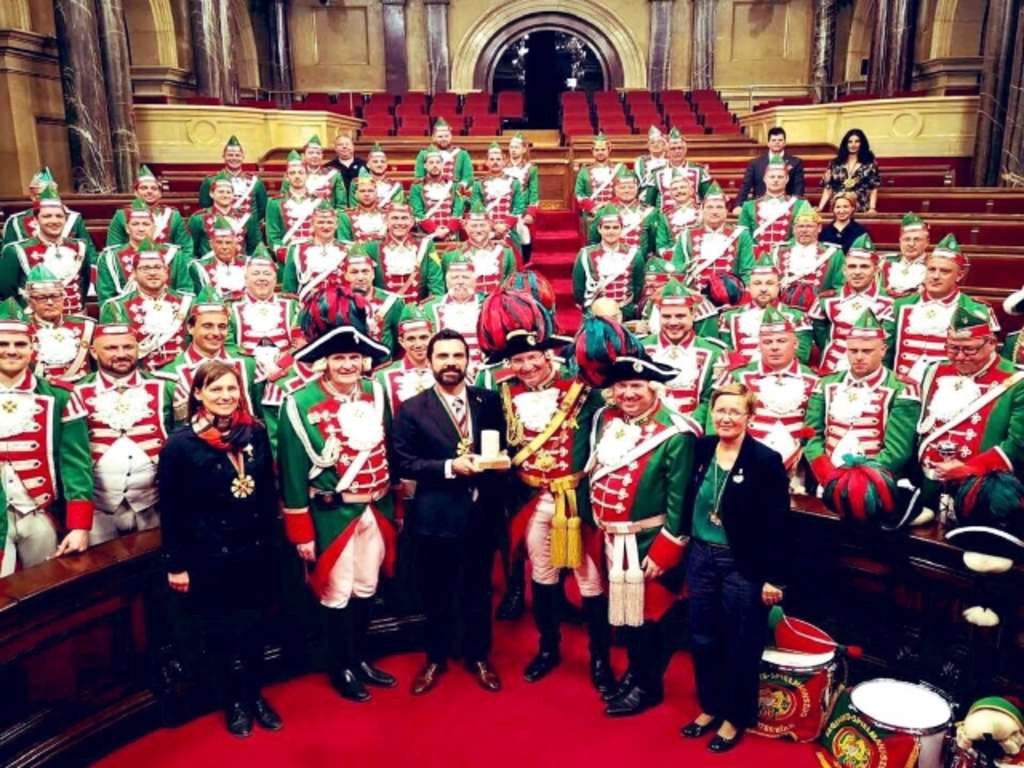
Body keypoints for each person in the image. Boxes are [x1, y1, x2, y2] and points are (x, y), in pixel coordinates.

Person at [478, 290, 612, 694]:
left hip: (577, 500)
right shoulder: (503, 394)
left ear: (548, 354)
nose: (527, 366)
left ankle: (600, 658)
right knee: (543, 575)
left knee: (591, 582)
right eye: (518, 360)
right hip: (532, 499)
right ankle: (549, 648)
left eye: (532, 357)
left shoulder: (583, 390)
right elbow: (496, 443)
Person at [278, 312, 398, 703]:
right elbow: (293, 472)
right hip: (331, 513)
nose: (347, 365)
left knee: (367, 586)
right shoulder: (299, 402)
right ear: (324, 362)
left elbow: (389, 453)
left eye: (353, 358)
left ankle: (359, 658)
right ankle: (340, 665)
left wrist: (395, 508)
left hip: (375, 508)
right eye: (338, 358)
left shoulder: (376, 392)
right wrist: (301, 533)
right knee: (337, 592)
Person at [578, 318, 696, 717]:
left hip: (646, 541)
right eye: (622, 386)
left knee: (650, 617)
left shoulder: (676, 433)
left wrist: (666, 550)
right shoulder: (606, 421)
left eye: (637, 386)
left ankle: (649, 687)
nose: (627, 393)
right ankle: (635, 673)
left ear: (653, 388)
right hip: (610, 537)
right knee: (626, 618)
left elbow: (680, 502)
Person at [159, 360, 282, 737]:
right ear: (198, 394)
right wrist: (176, 564)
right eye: (215, 390)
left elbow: (265, 494)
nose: (225, 396)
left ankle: (256, 694)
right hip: (210, 554)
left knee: (257, 627)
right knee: (222, 631)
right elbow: (172, 508)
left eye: (231, 389)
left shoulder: (254, 433)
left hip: (255, 549)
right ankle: (233, 701)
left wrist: (274, 547)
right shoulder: (181, 444)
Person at [392, 329, 508, 695]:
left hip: (482, 514)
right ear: (429, 362)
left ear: (467, 360)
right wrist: (448, 467)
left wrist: (502, 462)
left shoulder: (488, 401)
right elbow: (403, 461)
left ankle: (478, 656)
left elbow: (503, 446)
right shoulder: (412, 408)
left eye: (457, 356)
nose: (450, 363)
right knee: (436, 592)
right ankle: (435, 658)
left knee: (479, 589)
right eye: (442, 356)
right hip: (436, 516)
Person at [680, 383, 789, 753]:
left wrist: (774, 576)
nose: (726, 417)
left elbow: (779, 524)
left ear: (749, 417)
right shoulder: (701, 448)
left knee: (741, 642)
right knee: (701, 636)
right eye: (720, 410)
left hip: (741, 562)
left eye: (735, 412)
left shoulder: (765, 460)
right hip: (700, 556)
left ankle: (734, 717)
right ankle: (710, 706)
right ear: (712, 413)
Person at [0, 298, 93, 577]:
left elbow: (76, 463)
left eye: (20, 344)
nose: (11, 351)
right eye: (3, 344)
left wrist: (79, 525)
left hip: (40, 514)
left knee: (46, 595)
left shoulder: (59, 395)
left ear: (33, 349)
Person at [914, 307, 1024, 526]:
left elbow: (1016, 445)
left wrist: (969, 470)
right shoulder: (935, 371)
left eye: (969, 350)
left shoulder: (1016, 381)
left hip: (981, 489)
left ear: (992, 343)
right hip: (928, 486)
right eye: (953, 349)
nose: (960, 357)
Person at [75, 324, 175, 544]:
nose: (121, 354)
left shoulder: (165, 387)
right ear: (93, 351)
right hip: (98, 510)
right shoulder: (75, 392)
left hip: (153, 506)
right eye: (111, 348)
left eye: (128, 347)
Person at [804, 310, 919, 489]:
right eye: (853, 351)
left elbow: (897, 451)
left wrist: (859, 480)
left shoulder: (902, 390)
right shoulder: (825, 384)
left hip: (875, 483)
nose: (858, 357)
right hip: (827, 479)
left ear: (883, 350)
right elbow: (811, 436)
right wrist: (826, 474)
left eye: (867, 351)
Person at [723, 308, 819, 492]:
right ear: (759, 345)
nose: (774, 347)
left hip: (796, 470)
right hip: (746, 462)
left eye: (781, 341)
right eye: (767, 342)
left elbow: (815, 429)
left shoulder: (814, 380)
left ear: (796, 343)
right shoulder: (739, 376)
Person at [885, 234, 998, 380]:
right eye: (931, 270)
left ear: (959, 275)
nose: (935, 276)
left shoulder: (976, 310)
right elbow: (884, 351)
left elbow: (986, 358)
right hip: (902, 387)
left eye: (944, 271)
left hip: (948, 388)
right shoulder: (900, 305)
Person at [156, 293, 260, 424]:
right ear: (190, 328)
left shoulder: (249, 365)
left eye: (222, 327)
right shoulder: (168, 373)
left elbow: (262, 417)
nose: (216, 333)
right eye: (207, 326)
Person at [642, 279, 727, 425]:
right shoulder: (641, 349)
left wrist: (689, 425)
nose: (673, 322)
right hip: (650, 429)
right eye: (666, 316)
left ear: (693, 314)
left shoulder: (714, 353)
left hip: (694, 432)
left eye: (680, 316)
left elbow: (712, 400)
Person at [0, 185, 92, 316]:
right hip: (33, 322)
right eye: (47, 216)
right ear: (36, 220)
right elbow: (7, 294)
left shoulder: (80, 247)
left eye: (59, 216)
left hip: (74, 320)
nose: (54, 221)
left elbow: (84, 283)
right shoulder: (15, 251)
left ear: (65, 220)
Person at [809, 234, 894, 375]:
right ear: (844, 270)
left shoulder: (890, 302)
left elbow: (888, 343)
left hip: (873, 371)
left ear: (876, 270)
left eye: (864, 267)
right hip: (831, 369)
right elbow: (820, 334)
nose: (857, 272)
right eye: (852, 266)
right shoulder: (827, 300)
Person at [99, 247, 194, 371]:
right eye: (145, 268)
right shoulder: (115, 307)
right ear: (133, 273)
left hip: (183, 374)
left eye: (157, 267)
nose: (153, 273)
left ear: (166, 271)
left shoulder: (188, 303)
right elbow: (110, 352)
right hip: (141, 378)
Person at [717, 255, 813, 366]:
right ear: (749, 287)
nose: (763, 289)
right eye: (757, 283)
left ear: (779, 287)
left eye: (769, 283)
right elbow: (727, 356)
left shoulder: (798, 317)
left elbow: (801, 358)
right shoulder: (728, 317)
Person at [228, 246, 305, 383]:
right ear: (245, 279)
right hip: (245, 373)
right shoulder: (230, 307)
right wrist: (250, 367)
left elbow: (300, 344)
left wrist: (281, 366)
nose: (262, 278)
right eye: (256, 273)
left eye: (267, 274)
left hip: (286, 372)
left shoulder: (293, 305)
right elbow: (228, 346)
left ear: (275, 279)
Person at [673, 183, 754, 306]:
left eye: (719, 207)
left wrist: (740, 300)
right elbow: (677, 269)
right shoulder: (686, 235)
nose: (714, 212)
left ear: (726, 211)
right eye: (710, 207)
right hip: (695, 299)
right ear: (702, 210)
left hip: (731, 299)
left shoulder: (741, 235)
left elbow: (747, 271)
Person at [96, 202, 192, 304]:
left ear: (154, 228)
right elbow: (106, 297)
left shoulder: (174, 255)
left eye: (146, 224)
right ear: (127, 229)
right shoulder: (110, 257)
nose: (141, 229)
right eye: (135, 224)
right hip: (126, 315)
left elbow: (185, 290)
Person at [360, 192, 443, 303]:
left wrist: (431, 308)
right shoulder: (372, 247)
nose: (399, 223)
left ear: (412, 222)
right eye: (395, 218)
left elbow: (436, 282)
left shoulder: (426, 245)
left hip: (417, 313)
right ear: (386, 221)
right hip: (383, 311)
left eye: (404, 218)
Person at [2, 169, 94, 263]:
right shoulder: (15, 222)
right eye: (39, 196)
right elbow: (7, 257)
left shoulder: (73, 219)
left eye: (59, 216)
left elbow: (89, 253)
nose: (43, 200)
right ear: (32, 195)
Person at [24, 265, 96, 383]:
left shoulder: (87, 326)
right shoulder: (22, 328)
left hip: (80, 390)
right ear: (29, 302)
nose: (50, 302)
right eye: (42, 298)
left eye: (55, 296)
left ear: (63, 298)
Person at [573, 205, 645, 321]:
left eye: (615, 228)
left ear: (621, 229)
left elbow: (638, 285)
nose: (611, 232)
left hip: (624, 310)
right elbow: (579, 288)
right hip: (596, 311)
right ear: (599, 229)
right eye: (607, 228)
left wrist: (628, 307)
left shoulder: (635, 254)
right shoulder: (585, 255)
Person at [430, 201, 517, 296]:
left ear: (491, 226)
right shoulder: (452, 255)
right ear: (465, 227)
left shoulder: (506, 252)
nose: (478, 230)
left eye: (483, 225)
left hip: (497, 307)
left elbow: (510, 284)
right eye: (473, 226)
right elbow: (448, 289)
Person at [771, 200, 845, 312]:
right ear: (794, 229)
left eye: (809, 226)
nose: (804, 230)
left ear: (819, 228)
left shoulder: (833, 254)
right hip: (782, 311)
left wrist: (823, 303)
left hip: (818, 312)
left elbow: (841, 287)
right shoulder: (778, 251)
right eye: (800, 226)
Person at [421, 255, 486, 381]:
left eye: (465, 277)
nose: (460, 281)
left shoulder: (488, 304)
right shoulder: (428, 308)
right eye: (455, 277)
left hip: (482, 373)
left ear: (475, 280)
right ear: (447, 281)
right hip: (444, 373)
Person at [106, 166, 192, 259]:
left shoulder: (173, 216)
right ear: (136, 192)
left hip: (167, 265)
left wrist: (177, 268)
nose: (149, 191)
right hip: (130, 265)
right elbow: (113, 249)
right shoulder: (122, 215)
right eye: (144, 188)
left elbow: (186, 248)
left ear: (160, 194)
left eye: (154, 188)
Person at [586, 166, 667, 260]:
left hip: (640, 263)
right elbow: (594, 240)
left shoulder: (650, 212)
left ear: (637, 189)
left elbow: (654, 243)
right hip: (609, 261)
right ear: (615, 190)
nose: (627, 190)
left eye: (631, 187)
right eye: (622, 187)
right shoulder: (604, 211)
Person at [281, 200, 352, 300]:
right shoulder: (297, 249)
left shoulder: (348, 249)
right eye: (320, 222)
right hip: (308, 306)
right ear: (312, 224)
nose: (326, 226)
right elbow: (289, 288)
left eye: (330, 222)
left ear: (336, 225)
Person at [738, 156, 806, 257]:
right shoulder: (748, 206)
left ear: (787, 179)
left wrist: (783, 250)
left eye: (780, 177)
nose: (776, 180)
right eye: (772, 177)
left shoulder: (801, 205)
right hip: (756, 259)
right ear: (765, 179)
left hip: (788, 258)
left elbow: (803, 234)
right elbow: (743, 237)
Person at [731, 127, 806, 213]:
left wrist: (794, 207)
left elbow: (798, 188)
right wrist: (738, 205)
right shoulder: (755, 163)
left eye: (780, 140)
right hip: (759, 207)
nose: (777, 142)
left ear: (784, 143)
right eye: (773, 140)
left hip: (785, 207)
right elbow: (746, 185)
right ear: (768, 143)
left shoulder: (796, 162)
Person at [188, 172, 262, 258]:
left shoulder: (246, 218)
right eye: (221, 192)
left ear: (233, 195)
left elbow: (254, 247)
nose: (225, 195)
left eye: (228, 192)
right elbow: (191, 248)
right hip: (210, 267)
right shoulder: (198, 219)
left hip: (240, 266)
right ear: (212, 194)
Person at [266, 152, 322, 266]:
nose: (297, 176)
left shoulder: (319, 202)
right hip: (287, 256)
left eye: (301, 172)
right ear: (287, 177)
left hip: (315, 256)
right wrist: (284, 254)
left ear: (307, 175)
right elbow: (273, 236)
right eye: (292, 173)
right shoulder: (275, 203)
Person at [469, 142, 526, 251]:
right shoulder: (478, 184)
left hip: (510, 230)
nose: (495, 162)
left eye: (498, 159)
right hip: (485, 230)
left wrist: (506, 226)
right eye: (492, 159)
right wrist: (494, 226)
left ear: (504, 162)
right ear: (487, 162)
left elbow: (518, 207)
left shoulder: (514, 183)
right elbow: (476, 208)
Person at [198, 135, 268, 223]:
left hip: (249, 229)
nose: (234, 158)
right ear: (224, 157)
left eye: (237, 155)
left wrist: (250, 223)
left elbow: (262, 208)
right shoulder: (211, 180)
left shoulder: (255, 182)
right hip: (221, 228)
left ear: (243, 157)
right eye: (230, 155)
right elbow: (205, 206)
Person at [818, 128, 881, 214]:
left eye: (857, 141)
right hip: (838, 208)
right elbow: (828, 188)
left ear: (862, 144)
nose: (853, 144)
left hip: (860, 208)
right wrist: (820, 208)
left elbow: (873, 188)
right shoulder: (835, 163)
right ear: (845, 144)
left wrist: (872, 208)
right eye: (850, 142)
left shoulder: (870, 164)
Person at [648, 128, 713, 211]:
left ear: (685, 150)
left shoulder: (699, 171)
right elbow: (649, 204)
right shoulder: (656, 173)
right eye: (673, 149)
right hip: (664, 218)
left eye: (680, 148)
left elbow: (708, 198)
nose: (677, 151)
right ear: (667, 151)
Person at [411, 146, 465, 242]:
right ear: (425, 166)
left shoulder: (454, 185)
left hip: (451, 235)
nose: (435, 165)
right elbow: (417, 212)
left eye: (438, 162)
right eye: (431, 163)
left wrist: (448, 229)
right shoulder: (417, 187)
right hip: (426, 235)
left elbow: (458, 210)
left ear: (442, 165)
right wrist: (435, 230)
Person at [189, 216, 249, 302]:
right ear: (211, 244)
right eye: (219, 242)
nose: (224, 247)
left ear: (236, 244)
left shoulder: (248, 263)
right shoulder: (199, 268)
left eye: (228, 242)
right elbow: (200, 299)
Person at [413, 118, 474, 197]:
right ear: (433, 137)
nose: (444, 139)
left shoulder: (462, 154)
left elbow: (468, 177)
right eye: (440, 136)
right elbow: (419, 177)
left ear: (451, 136)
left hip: (455, 193)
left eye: (446, 136)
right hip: (430, 192)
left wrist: (460, 187)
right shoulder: (424, 154)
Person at [503, 132, 540, 262]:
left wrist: (530, 213)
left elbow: (534, 193)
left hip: (522, 211)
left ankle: (524, 264)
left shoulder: (531, 169)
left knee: (524, 236)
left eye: (516, 147)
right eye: (511, 147)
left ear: (524, 149)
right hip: (505, 209)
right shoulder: (502, 166)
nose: (513, 150)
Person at [881, 213, 930, 299]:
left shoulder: (934, 265)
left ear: (927, 242)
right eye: (906, 239)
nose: (911, 244)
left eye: (917, 239)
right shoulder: (885, 263)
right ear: (900, 241)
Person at [338, 168, 389, 245]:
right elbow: (344, 243)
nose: (366, 194)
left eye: (370, 191)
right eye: (362, 191)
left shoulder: (388, 215)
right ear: (356, 194)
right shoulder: (346, 216)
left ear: (376, 193)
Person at [574, 133, 618, 220]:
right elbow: (578, 193)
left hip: (614, 213)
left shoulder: (619, 169)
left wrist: (609, 207)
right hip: (591, 214)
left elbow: (624, 192)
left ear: (609, 150)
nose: (600, 152)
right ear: (592, 151)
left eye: (603, 149)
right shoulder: (584, 171)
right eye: (597, 150)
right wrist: (592, 207)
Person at [300, 134, 347, 209]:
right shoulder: (296, 174)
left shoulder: (333, 174)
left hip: (327, 217)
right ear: (303, 156)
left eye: (318, 153)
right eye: (311, 153)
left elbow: (341, 205)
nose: (315, 156)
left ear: (322, 156)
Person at [656, 171, 703, 242]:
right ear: (671, 195)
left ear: (691, 191)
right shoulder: (664, 217)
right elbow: (661, 245)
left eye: (682, 187)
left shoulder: (703, 212)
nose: (679, 191)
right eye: (675, 189)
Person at [634, 125, 669, 203]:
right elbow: (641, 182)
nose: (656, 145)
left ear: (664, 145)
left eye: (659, 142)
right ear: (648, 146)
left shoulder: (670, 160)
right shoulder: (641, 161)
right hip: (645, 195)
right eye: (652, 143)